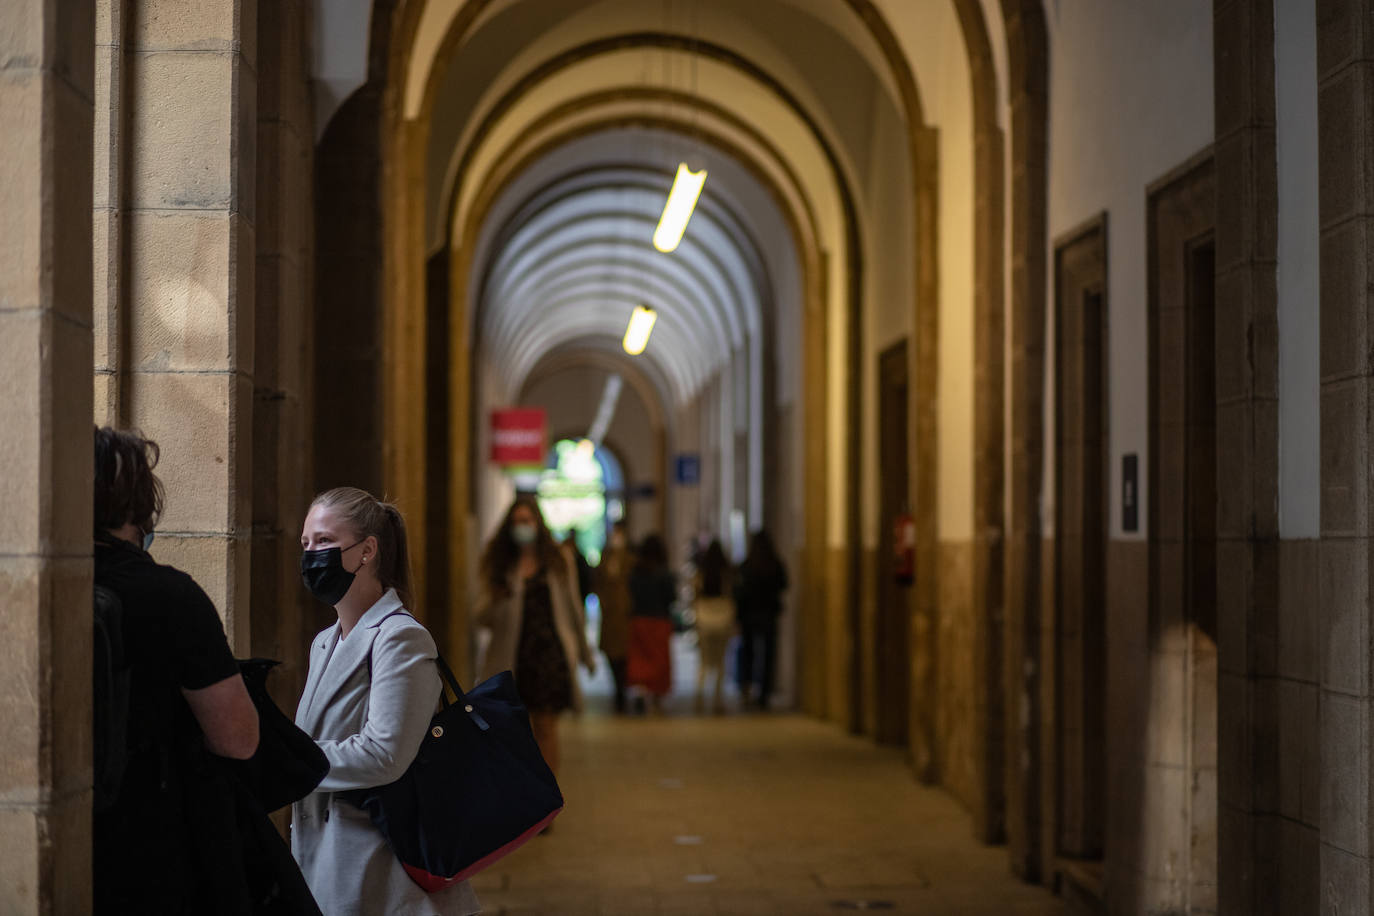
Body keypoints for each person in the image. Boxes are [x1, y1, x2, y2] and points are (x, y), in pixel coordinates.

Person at [92, 427, 264, 913]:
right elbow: (238, 737)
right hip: (148, 835)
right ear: (140, 503)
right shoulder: (170, 595)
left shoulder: (27, 584)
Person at [292, 487, 480, 916]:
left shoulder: (400, 637)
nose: (310, 554)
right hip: (327, 861)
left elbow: (385, 754)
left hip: (383, 873)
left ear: (367, 551)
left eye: (324, 541)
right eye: (305, 543)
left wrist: (291, 760)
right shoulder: (325, 642)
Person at [475, 496, 596, 776]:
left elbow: (574, 609)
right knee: (516, 730)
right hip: (512, 659)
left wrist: (586, 655)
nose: (523, 527)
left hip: (550, 656)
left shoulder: (558, 560)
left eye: (527, 521)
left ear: (538, 523)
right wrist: (498, 597)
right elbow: (480, 617)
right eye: (517, 522)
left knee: (546, 726)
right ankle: (526, 798)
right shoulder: (500, 564)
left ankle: (547, 803)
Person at [734, 529, 789, 710]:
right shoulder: (774, 565)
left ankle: (747, 689)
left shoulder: (747, 566)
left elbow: (739, 593)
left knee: (748, 653)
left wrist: (739, 615)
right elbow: (784, 584)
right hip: (768, 615)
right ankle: (764, 693)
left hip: (750, 616)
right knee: (767, 655)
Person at [626, 533, 677, 714]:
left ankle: (641, 691)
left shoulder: (635, 572)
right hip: (659, 621)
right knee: (659, 661)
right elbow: (671, 597)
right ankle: (656, 697)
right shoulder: (664, 573)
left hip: (639, 620)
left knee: (640, 659)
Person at [692, 539, 736, 715]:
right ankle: (718, 700)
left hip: (704, 616)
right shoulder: (727, 573)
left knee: (703, 660)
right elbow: (731, 594)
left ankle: (700, 697)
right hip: (723, 616)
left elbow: (694, 595)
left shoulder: (701, 573)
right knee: (720, 661)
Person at [597, 521, 634, 713]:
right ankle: (618, 690)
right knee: (611, 655)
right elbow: (598, 581)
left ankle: (622, 692)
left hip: (625, 617)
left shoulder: (630, 558)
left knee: (625, 657)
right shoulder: (605, 557)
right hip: (610, 617)